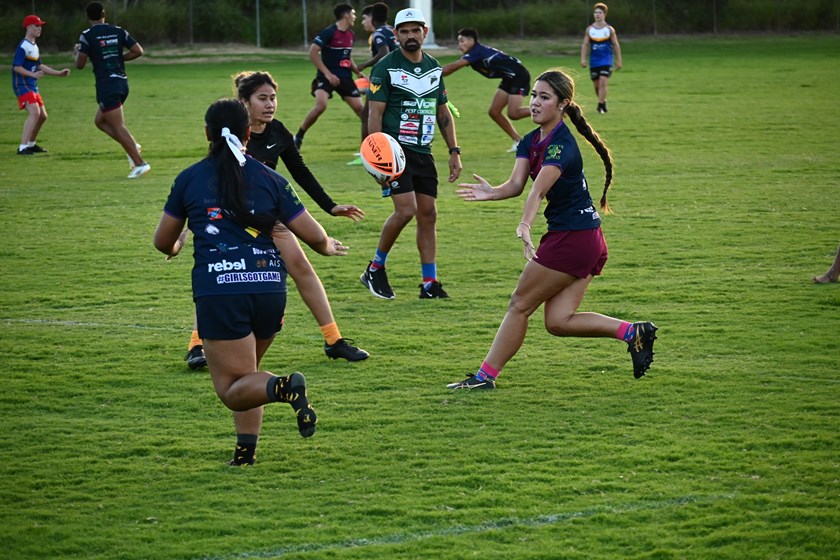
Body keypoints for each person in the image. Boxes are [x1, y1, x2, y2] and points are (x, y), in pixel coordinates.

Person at [154, 98, 348, 465]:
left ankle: (285, 387)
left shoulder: (191, 178)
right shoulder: (271, 178)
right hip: (269, 291)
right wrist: (326, 246)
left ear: (207, 134)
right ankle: (245, 454)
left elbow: (163, 240)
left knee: (231, 389)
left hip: (221, 293)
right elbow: (315, 236)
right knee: (247, 378)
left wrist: (179, 243)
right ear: (248, 133)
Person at [447, 68, 657, 390]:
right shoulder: (530, 141)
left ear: (563, 104)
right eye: (533, 95)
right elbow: (517, 185)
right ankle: (633, 332)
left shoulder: (561, 146)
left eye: (544, 97)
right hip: (586, 237)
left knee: (519, 304)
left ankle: (484, 378)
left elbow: (536, 191)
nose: (534, 103)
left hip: (573, 238)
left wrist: (525, 224)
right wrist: (492, 192)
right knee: (558, 322)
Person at [182, 71, 369, 370]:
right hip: (231, 222)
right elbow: (206, 189)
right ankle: (197, 345)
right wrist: (185, 231)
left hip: (268, 221)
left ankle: (334, 340)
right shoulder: (229, 137)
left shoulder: (278, 132)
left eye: (273, 98)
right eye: (262, 99)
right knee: (219, 273)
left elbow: (300, 172)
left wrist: (330, 206)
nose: (270, 105)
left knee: (302, 268)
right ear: (243, 102)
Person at [360, 8, 462, 300]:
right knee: (407, 210)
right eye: (404, 31)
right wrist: (376, 158)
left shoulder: (433, 67)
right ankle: (375, 267)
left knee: (428, 214)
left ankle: (429, 283)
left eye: (415, 30)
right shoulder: (385, 67)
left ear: (424, 32)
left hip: (423, 152)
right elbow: (374, 116)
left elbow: (443, 111)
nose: (410, 36)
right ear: (396, 35)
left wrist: (454, 150)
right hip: (394, 152)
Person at [74, 1, 150, 178]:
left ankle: (140, 163)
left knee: (117, 126)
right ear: (104, 14)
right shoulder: (118, 30)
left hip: (107, 85)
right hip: (122, 84)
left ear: (88, 17)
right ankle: (132, 145)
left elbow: (80, 64)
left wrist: (76, 52)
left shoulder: (86, 35)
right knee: (100, 122)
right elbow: (138, 50)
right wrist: (119, 58)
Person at [441, 27, 531, 153]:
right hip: (508, 78)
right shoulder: (475, 52)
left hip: (519, 76)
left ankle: (552, 109)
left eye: (462, 41)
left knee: (514, 113)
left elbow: (451, 68)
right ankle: (518, 142)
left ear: (472, 40)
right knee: (494, 112)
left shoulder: (476, 52)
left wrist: (432, 73)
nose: (459, 45)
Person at [294, 3, 364, 150]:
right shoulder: (329, 32)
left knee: (361, 109)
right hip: (325, 77)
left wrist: (357, 71)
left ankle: (371, 143)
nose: (354, 17)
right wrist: (328, 74)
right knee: (321, 106)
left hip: (344, 77)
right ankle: (299, 136)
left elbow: (347, 57)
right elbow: (313, 53)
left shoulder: (350, 34)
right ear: (346, 15)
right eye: (353, 14)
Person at [347, 2, 398, 166]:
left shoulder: (378, 34)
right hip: (397, 78)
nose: (362, 22)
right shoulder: (392, 30)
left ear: (372, 18)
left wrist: (364, 65)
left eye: (364, 18)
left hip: (383, 80)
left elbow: (384, 53)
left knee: (367, 115)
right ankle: (387, 150)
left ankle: (367, 154)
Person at [12, 15, 70, 156]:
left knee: (42, 115)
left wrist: (59, 73)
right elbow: (16, 67)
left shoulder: (34, 46)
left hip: (32, 85)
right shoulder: (23, 46)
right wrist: (32, 75)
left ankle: (31, 145)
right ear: (28, 27)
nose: (39, 28)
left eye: (40, 26)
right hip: (22, 85)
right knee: (35, 112)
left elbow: (39, 66)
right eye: (36, 26)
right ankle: (22, 147)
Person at [581, 2, 622, 114]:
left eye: (599, 12)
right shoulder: (590, 29)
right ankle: (602, 100)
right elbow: (585, 44)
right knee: (597, 86)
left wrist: (619, 60)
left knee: (603, 81)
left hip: (607, 60)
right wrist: (583, 59)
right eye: (595, 12)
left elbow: (615, 45)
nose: (597, 15)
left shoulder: (609, 30)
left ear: (604, 14)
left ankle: (600, 106)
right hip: (594, 61)